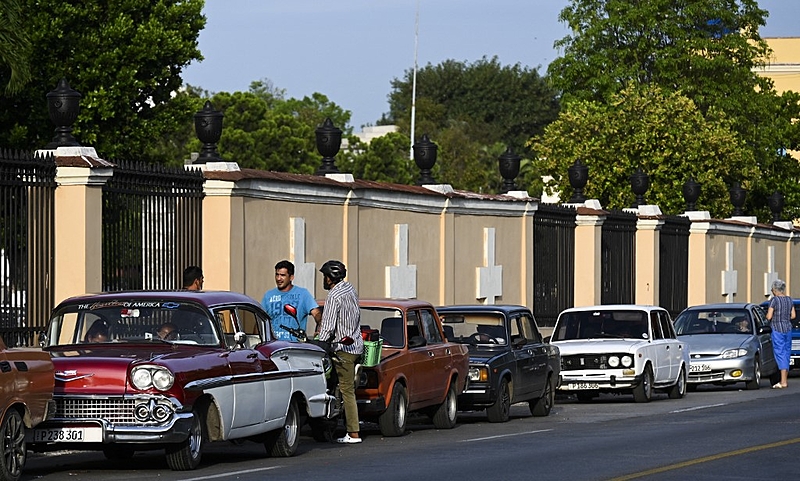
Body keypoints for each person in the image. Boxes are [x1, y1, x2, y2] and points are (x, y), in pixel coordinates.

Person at [316, 260, 363, 444]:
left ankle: (353, 433)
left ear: (330, 277)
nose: (324, 280)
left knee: (347, 391)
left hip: (342, 349)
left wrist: (320, 343)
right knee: (343, 388)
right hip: (356, 346)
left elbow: (327, 326)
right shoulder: (350, 289)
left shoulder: (334, 296)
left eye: (325, 276)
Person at [261, 260, 322, 341]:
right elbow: (260, 319)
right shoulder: (268, 295)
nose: (279, 278)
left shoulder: (303, 294)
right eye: (277, 275)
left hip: (295, 347)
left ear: (291, 277)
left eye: (283, 275)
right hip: (273, 346)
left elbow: (316, 313)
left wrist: (320, 329)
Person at [766, 279, 795, 389]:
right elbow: (793, 316)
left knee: (780, 353)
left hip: (777, 328)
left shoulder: (774, 300)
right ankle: (784, 379)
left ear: (775, 290)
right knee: (787, 353)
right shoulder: (789, 300)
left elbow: (769, 316)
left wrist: (769, 318)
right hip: (788, 328)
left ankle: (783, 381)